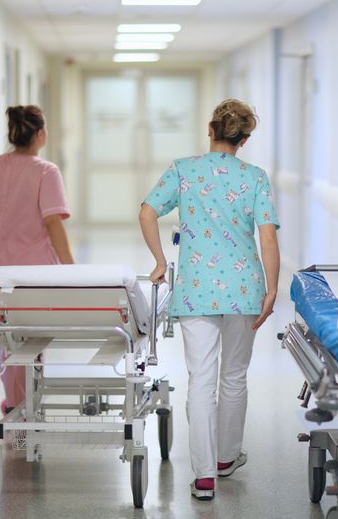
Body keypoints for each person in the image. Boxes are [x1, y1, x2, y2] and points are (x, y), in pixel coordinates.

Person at [139, 98, 280, 500]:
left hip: (196, 290)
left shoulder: (184, 170)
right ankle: (225, 458)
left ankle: (204, 477)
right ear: (244, 140)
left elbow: (147, 212)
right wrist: (272, 289)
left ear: (210, 129)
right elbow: (268, 238)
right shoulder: (255, 177)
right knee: (233, 377)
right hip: (244, 290)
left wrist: (160, 261)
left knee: (201, 380)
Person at [0, 104, 74, 415]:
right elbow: (53, 223)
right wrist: (71, 271)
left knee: (7, 336)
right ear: (40, 134)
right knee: (31, 341)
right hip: (35, 274)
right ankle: (24, 407)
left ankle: (15, 402)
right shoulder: (46, 171)